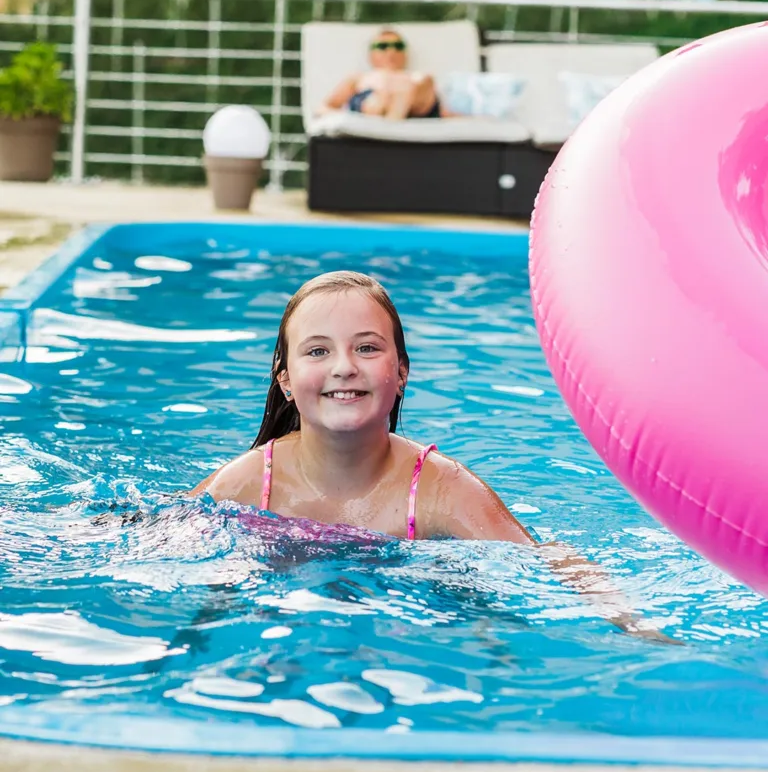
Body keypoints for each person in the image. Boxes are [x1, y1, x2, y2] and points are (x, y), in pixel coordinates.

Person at [191, 272, 674, 641]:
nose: (344, 367)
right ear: (286, 381)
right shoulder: (251, 481)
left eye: (366, 347)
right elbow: (153, 530)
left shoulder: (442, 490)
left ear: (400, 373)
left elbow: (547, 560)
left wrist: (631, 621)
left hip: (407, 622)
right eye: (318, 351)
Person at [318, 28, 447, 121]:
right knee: (383, 96)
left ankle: (393, 118)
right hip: (374, 103)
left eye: (398, 46)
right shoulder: (359, 78)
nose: (391, 51)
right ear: (371, 55)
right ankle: (392, 115)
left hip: (415, 104)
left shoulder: (417, 78)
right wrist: (346, 119)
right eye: (383, 46)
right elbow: (324, 107)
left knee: (425, 80)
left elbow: (445, 113)